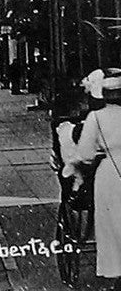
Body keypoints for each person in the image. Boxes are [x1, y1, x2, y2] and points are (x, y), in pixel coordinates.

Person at [64, 68, 121, 289]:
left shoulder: (96, 117)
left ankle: (115, 271)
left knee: (111, 223)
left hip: (109, 173)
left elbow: (85, 154)